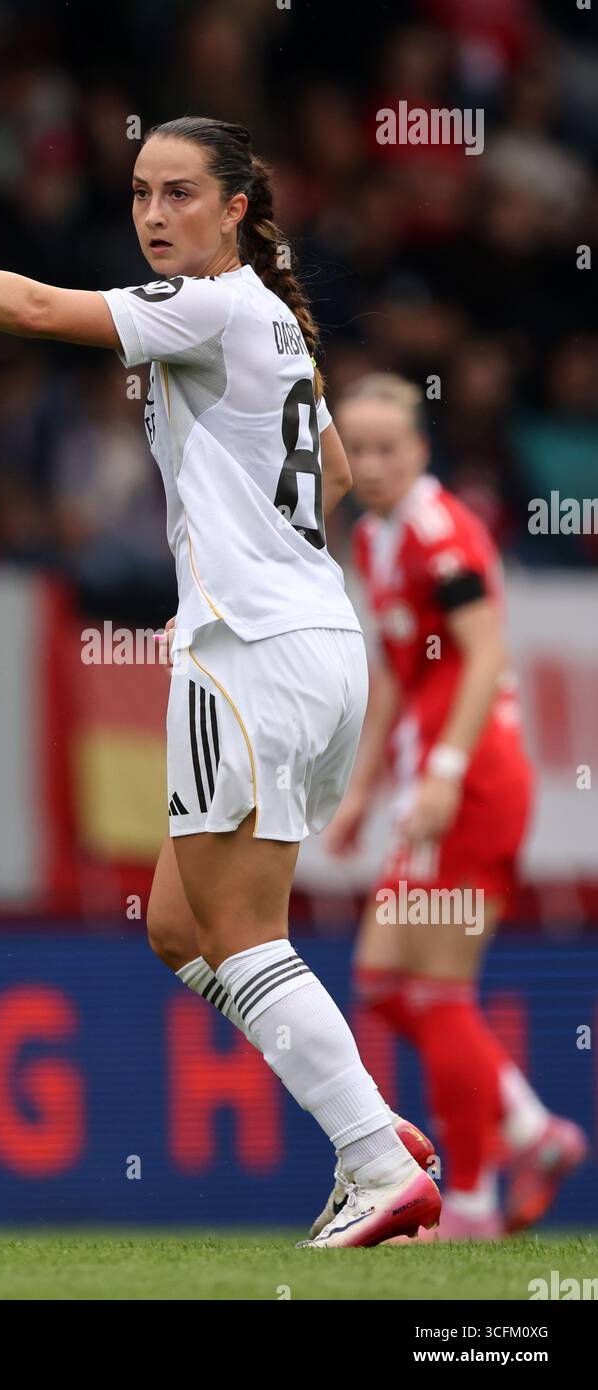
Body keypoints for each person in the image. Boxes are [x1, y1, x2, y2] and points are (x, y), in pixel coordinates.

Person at [0, 115, 440, 1247]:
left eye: (179, 194)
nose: (151, 215)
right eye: (138, 193)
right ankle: (370, 1119)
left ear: (235, 209)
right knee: (177, 925)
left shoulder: (216, 304)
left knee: (239, 932)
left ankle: (374, 1157)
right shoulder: (275, 319)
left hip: (246, 650)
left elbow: (34, 310)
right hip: (314, 639)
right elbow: (327, 470)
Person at [325, 372, 587, 1239]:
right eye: (354, 448)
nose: (368, 464)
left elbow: (483, 656)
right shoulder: (374, 541)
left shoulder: (443, 533)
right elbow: (402, 677)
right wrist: (362, 788)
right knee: (383, 983)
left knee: (435, 991)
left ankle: (470, 1201)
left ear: (421, 452)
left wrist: (440, 770)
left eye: (385, 448)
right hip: (436, 784)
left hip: (473, 786)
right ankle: (527, 1127)